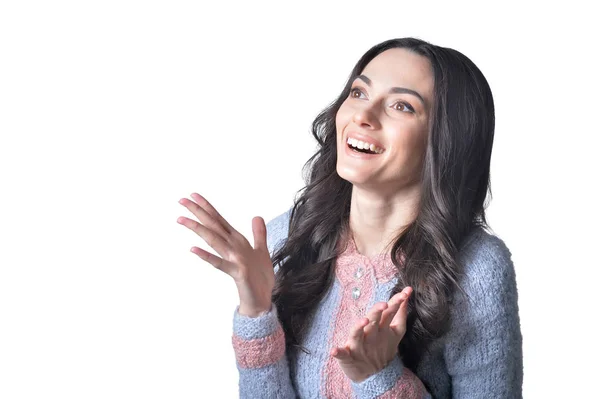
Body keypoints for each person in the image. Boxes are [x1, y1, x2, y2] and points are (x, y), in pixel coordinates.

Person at [177, 37, 523, 398]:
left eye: (401, 106)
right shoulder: (290, 236)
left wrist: (382, 378)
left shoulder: (477, 268)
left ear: (447, 139)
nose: (362, 116)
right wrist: (258, 308)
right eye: (358, 93)